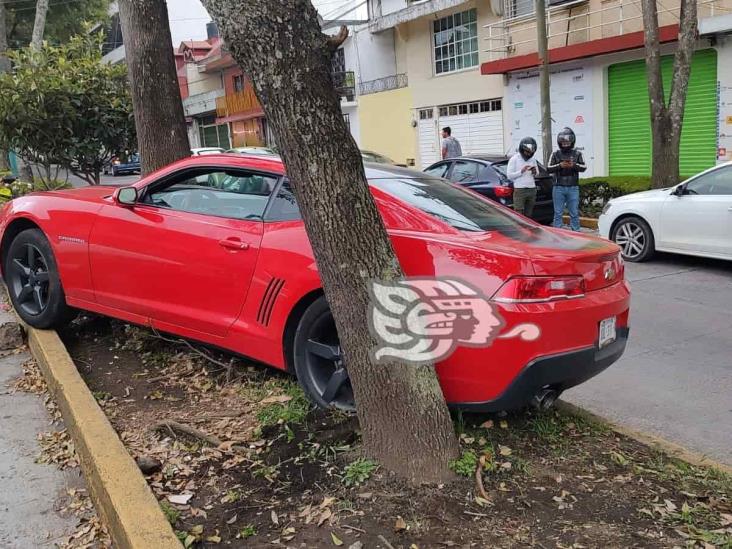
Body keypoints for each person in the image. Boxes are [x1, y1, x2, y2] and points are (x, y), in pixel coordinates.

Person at [547, 127, 586, 231]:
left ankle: (576, 232)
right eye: (563, 142)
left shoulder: (578, 154)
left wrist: (573, 165)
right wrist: (560, 165)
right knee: (558, 213)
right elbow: (548, 169)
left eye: (567, 142)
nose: (565, 143)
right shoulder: (555, 154)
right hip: (558, 187)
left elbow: (584, 168)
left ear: (572, 141)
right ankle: (557, 233)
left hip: (573, 187)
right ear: (559, 142)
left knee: (574, 213)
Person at [506, 137, 539, 217]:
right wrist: (521, 171)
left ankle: (528, 228)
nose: (528, 154)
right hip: (520, 189)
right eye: (527, 152)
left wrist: (534, 171)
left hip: (532, 188)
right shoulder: (514, 159)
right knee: (518, 213)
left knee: (529, 213)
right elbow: (509, 175)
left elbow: (537, 174)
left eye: (530, 152)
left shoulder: (533, 159)